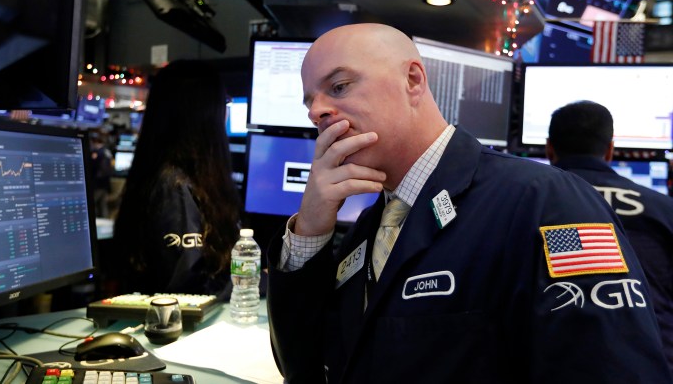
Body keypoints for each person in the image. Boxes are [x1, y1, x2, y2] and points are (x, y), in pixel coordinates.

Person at [266, 23, 671, 383]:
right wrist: (310, 229)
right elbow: (304, 366)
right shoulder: (366, 230)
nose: (317, 110)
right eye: (310, 102)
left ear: (413, 80)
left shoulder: (545, 201)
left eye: (339, 86)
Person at [547, 100, 673, 375]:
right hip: (655, 364)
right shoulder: (664, 210)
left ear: (549, 148)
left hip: (557, 365)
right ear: (610, 150)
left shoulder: (530, 204)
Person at [112, 60, 242, 300]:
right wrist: (254, 283)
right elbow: (189, 292)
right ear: (204, 114)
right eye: (224, 103)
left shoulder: (173, 179)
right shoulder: (174, 187)